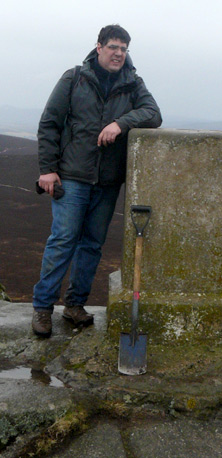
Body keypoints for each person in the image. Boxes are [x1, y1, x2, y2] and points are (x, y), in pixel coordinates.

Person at [32, 24, 162, 337]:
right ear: (99, 47)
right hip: (73, 176)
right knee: (63, 240)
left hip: (106, 181)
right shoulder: (74, 78)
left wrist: (120, 122)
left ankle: (74, 305)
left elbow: (153, 114)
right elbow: (50, 124)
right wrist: (48, 169)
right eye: (113, 47)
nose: (118, 53)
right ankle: (42, 309)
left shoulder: (133, 83)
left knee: (91, 245)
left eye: (124, 49)